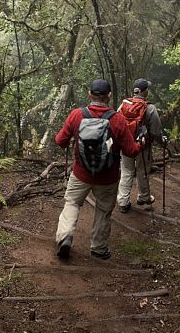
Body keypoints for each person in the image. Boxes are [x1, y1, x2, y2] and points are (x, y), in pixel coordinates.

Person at [54, 79, 141, 260]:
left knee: (72, 203)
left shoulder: (77, 115)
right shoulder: (117, 120)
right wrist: (142, 142)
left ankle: (65, 237)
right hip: (107, 177)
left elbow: (60, 141)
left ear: (89, 94)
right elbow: (131, 151)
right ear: (109, 96)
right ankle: (99, 248)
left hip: (80, 174)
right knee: (103, 210)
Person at [116, 78, 167, 214]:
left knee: (126, 172)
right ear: (145, 91)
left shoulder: (123, 105)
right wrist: (162, 143)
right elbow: (156, 131)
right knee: (142, 171)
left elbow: (116, 123)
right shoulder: (150, 108)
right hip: (142, 146)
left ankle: (123, 201)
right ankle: (143, 197)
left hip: (126, 145)